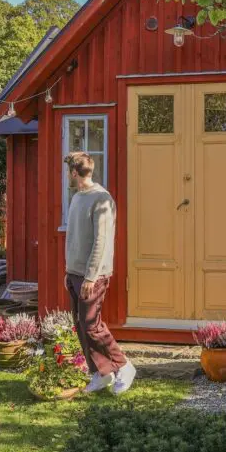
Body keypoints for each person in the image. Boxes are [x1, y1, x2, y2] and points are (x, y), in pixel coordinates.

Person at [64, 151, 136, 394]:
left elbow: (101, 241)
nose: (67, 176)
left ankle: (123, 366)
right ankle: (101, 373)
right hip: (75, 274)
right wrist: (69, 271)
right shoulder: (77, 198)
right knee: (81, 326)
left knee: (92, 325)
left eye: (68, 172)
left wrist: (91, 276)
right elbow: (74, 238)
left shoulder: (101, 199)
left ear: (74, 173)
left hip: (92, 276)